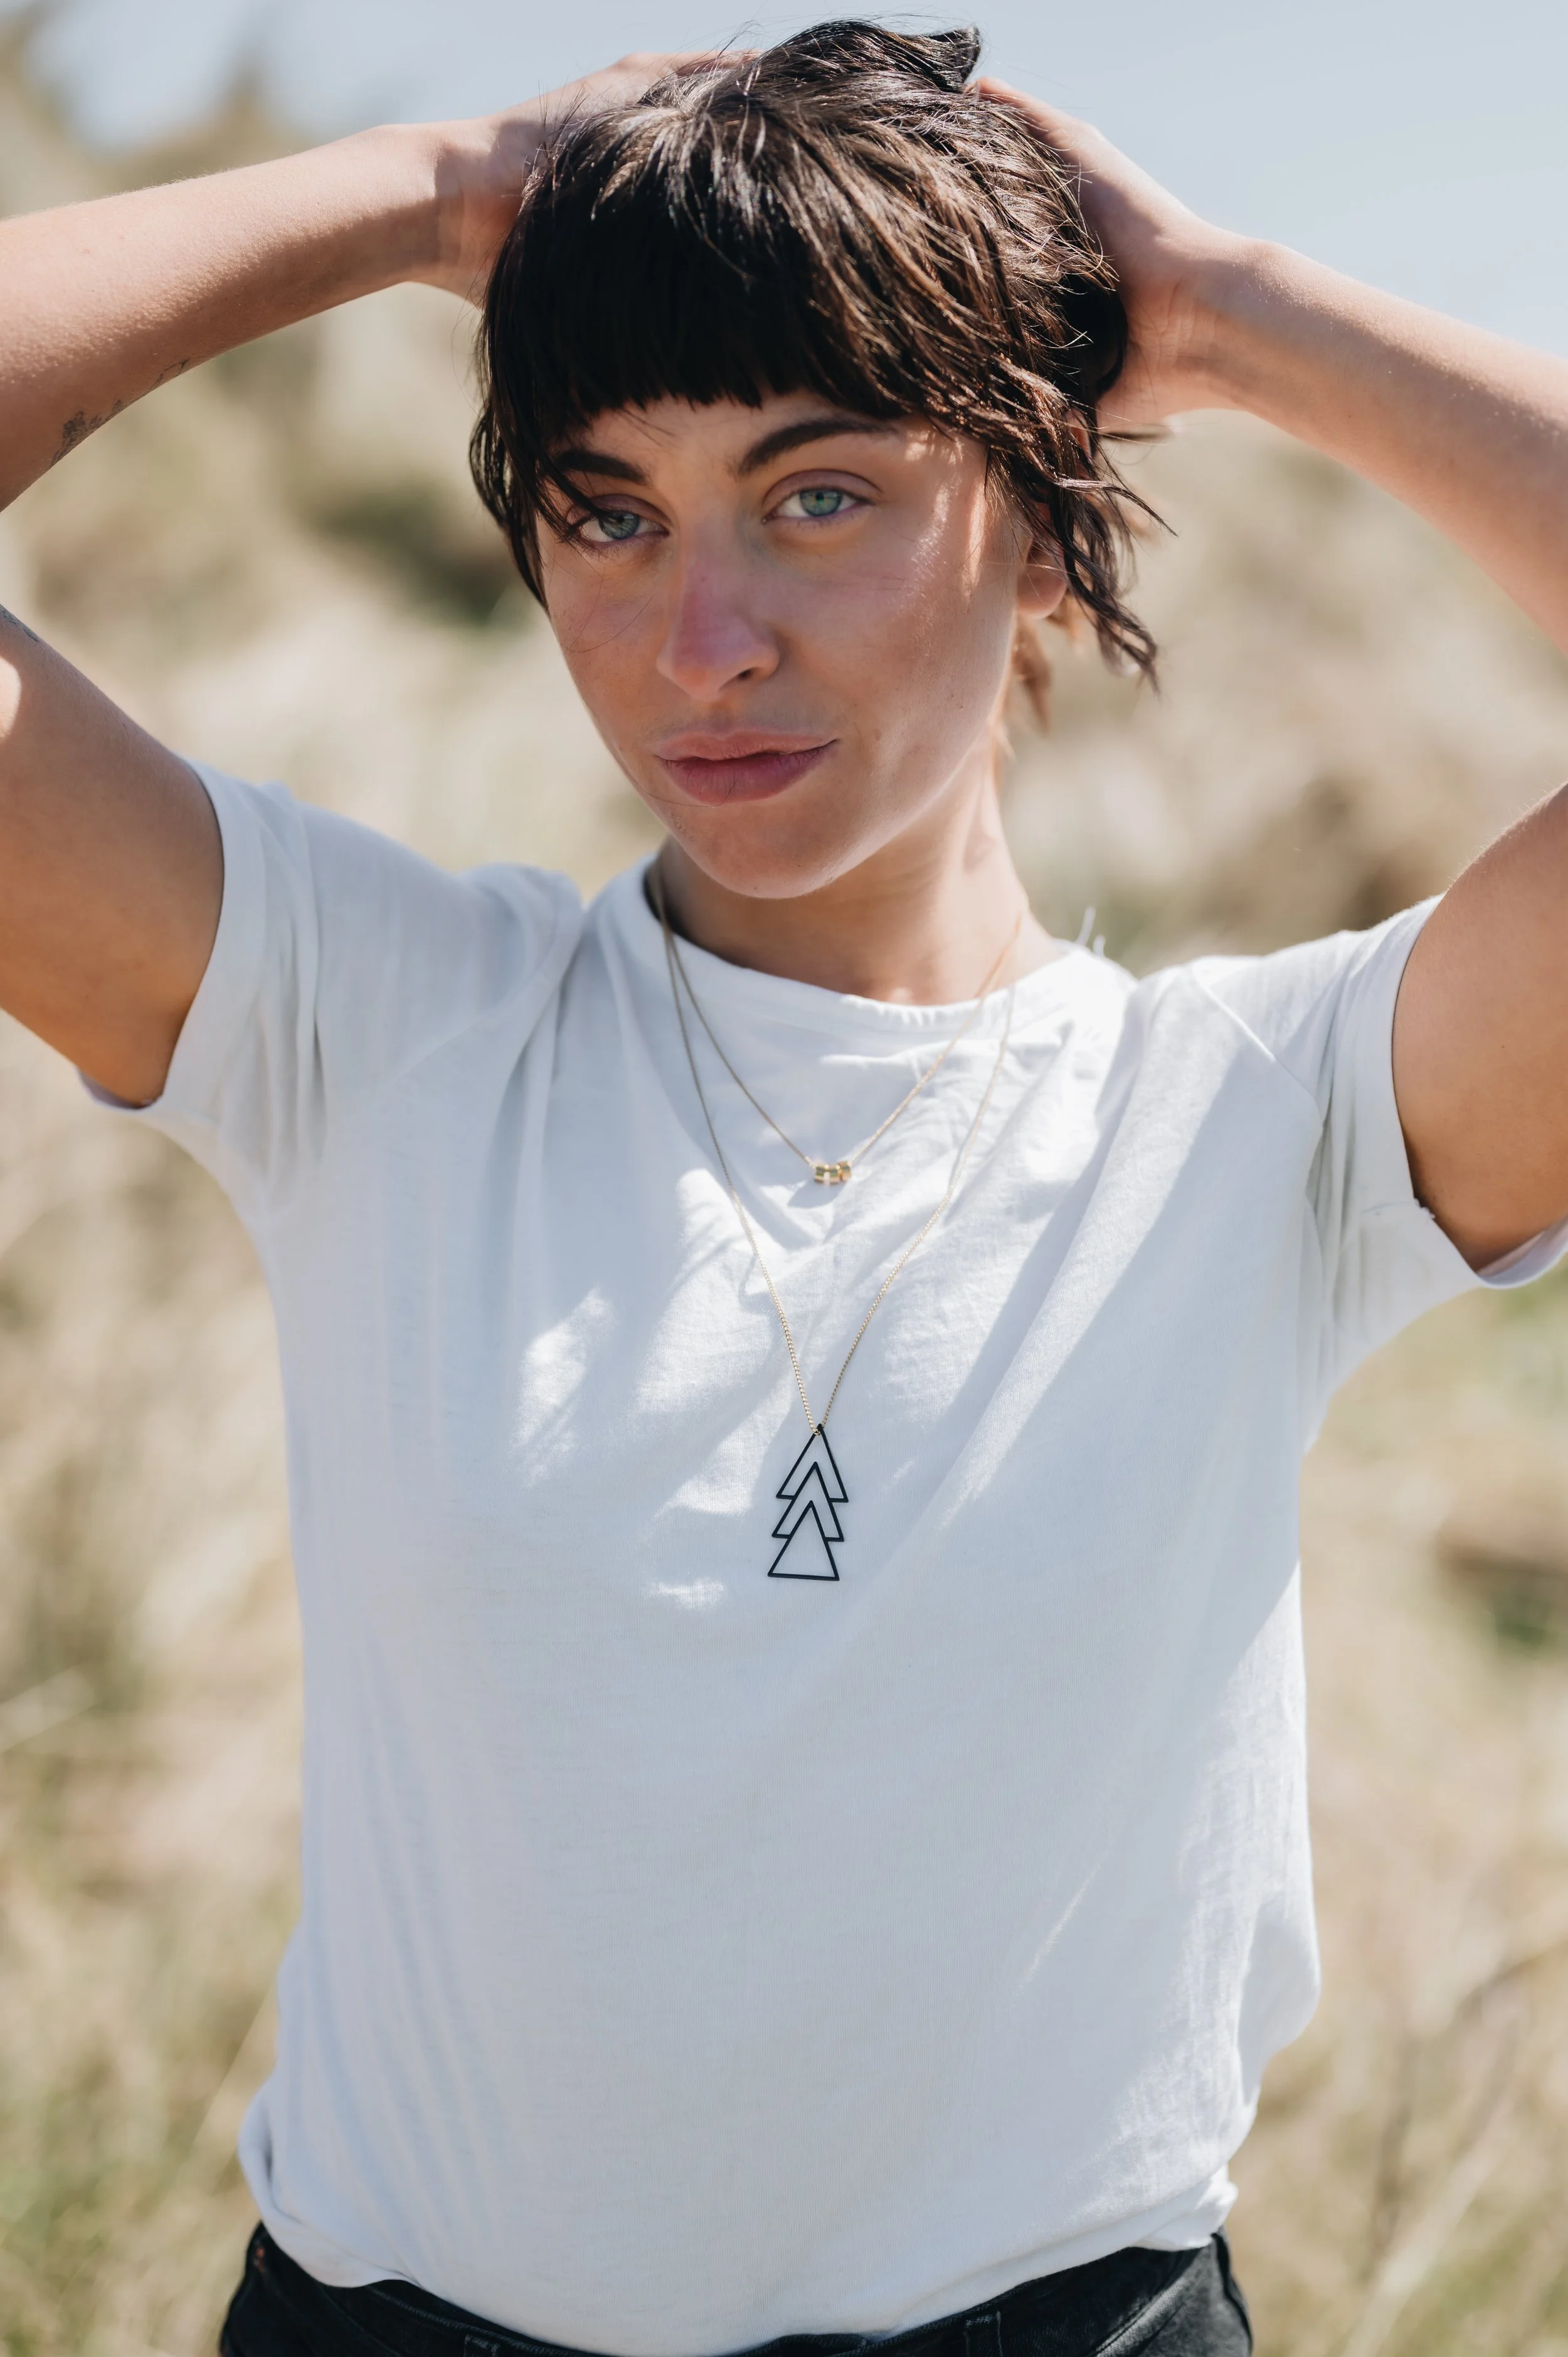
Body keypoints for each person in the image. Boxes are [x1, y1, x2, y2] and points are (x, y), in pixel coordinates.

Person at [2, 19, 1567, 2355]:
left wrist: (1225, 310)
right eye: (606, 510)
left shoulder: (1274, 1115)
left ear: (1040, 514)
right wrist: (429, 197)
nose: (695, 643)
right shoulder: (369, 1022)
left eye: (818, 494)